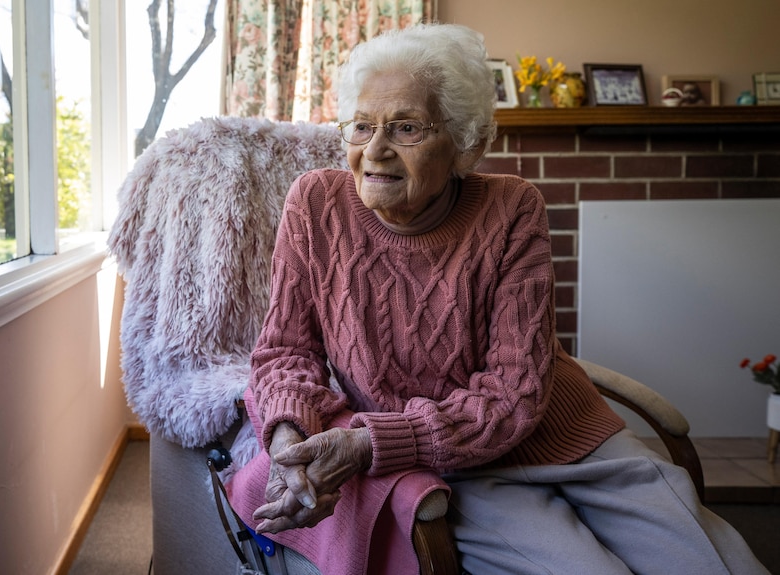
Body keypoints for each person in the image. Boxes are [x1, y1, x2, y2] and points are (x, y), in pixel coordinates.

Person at [226, 23, 768, 575]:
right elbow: (284, 351)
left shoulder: (512, 208)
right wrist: (288, 439)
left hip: (574, 440)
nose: (376, 151)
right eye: (361, 126)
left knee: (718, 565)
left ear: (467, 143)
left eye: (406, 128)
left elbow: (514, 392)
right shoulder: (316, 204)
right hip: (462, 468)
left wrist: (369, 444)